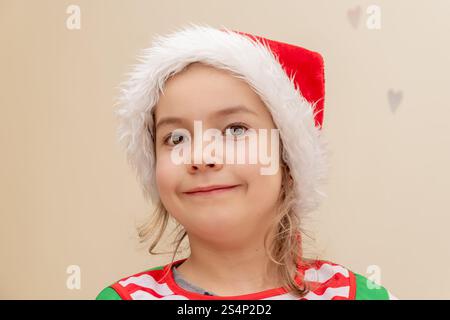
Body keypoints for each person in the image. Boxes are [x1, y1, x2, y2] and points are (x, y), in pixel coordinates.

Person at [96, 24, 397, 300]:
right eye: (176, 138)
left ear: (288, 160)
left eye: (235, 130)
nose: (201, 156)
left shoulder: (357, 295)